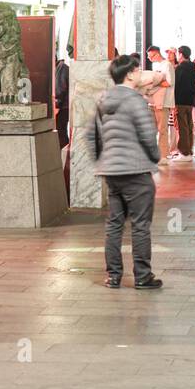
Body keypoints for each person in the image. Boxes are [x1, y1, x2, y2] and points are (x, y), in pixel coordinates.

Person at [86, 53, 163, 290]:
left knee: (114, 224)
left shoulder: (103, 100)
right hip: (136, 170)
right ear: (129, 74)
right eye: (138, 70)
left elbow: (92, 135)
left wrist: (104, 160)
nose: (140, 73)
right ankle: (142, 275)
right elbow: (148, 135)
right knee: (140, 225)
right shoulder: (136, 101)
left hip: (113, 173)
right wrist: (155, 157)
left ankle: (113, 276)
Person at [172, 46, 195, 160]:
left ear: (181, 54)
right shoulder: (193, 67)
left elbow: (176, 86)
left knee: (182, 127)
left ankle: (184, 153)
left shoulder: (180, 68)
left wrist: (174, 101)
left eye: (178, 53)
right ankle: (189, 151)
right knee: (189, 126)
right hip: (190, 101)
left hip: (180, 100)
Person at [54, 49, 71, 154]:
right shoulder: (62, 68)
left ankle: (64, 157)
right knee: (62, 132)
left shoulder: (61, 69)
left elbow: (60, 89)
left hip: (63, 107)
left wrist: (57, 105)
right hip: (64, 106)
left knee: (61, 133)